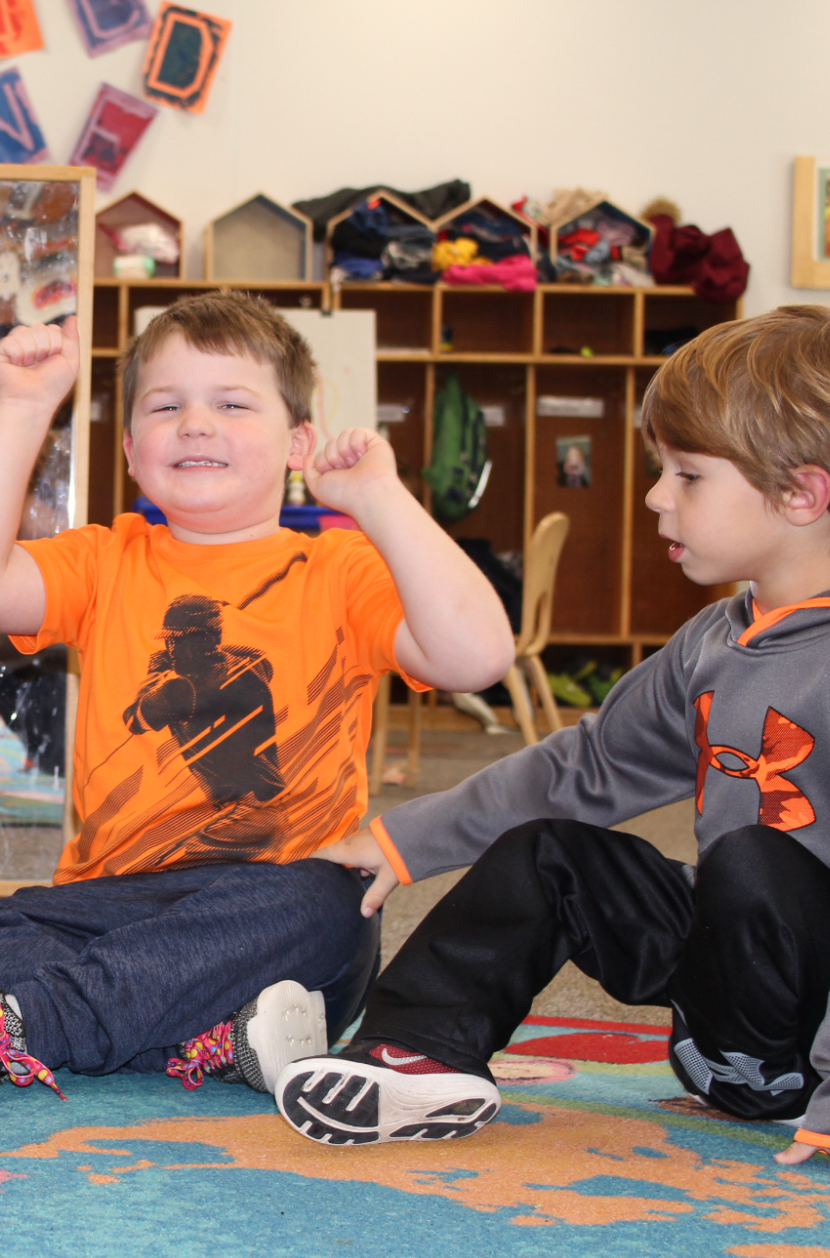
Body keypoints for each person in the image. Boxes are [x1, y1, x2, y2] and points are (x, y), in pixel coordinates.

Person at [0, 291, 514, 1097]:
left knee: (334, 902)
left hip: (274, 907)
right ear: (130, 449)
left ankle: (21, 1025)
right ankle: (209, 1040)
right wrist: (23, 409)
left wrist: (379, 498)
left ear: (298, 440)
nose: (196, 422)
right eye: (167, 406)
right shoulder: (108, 558)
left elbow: (477, 655)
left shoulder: (339, 571)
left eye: (232, 403)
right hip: (114, 902)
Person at [278, 307, 830, 1163]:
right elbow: (589, 767)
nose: (654, 495)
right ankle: (413, 1052)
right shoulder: (716, 638)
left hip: (808, 1040)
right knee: (551, 855)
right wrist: (409, 834)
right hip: (728, 1015)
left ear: (801, 492)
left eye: (686, 475)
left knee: (754, 861)